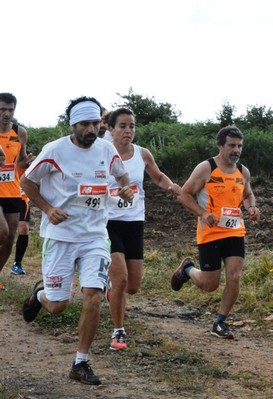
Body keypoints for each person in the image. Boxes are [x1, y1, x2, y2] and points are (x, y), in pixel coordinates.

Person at [21, 96, 134, 385]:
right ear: (73, 124)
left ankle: (80, 362)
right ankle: (41, 295)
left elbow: (123, 179)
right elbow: (27, 182)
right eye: (85, 124)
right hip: (60, 236)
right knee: (58, 305)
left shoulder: (107, 150)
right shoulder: (55, 150)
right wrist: (48, 209)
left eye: (96, 123)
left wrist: (125, 191)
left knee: (93, 295)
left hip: (95, 235)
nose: (91, 129)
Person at [170, 125, 260, 339]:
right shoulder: (206, 168)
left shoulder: (242, 171)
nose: (236, 150)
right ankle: (188, 269)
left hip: (235, 232)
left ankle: (220, 322)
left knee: (234, 276)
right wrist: (202, 213)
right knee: (210, 285)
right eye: (231, 145)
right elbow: (184, 195)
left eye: (239, 146)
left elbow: (248, 195)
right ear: (220, 146)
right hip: (210, 233)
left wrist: (252, 208)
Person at [105, 107, 181, 351]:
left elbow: (158, 176)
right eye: (122, 126)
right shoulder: (101, 153)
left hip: (134, 223)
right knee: (121, 279)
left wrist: (172, 187)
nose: (128, 131)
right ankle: (118, 331)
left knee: (133, 286)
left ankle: (111, 288)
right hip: (106, 223)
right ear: (110, 129)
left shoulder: (142, 153)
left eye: (132, 126)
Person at [0, 92, 28, 289]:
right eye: (2, 109)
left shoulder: (20, 132)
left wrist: (29, 162)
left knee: (10, 237)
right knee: (1, 232)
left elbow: (22, 160)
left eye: (10, 110)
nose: (7, 114)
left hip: (12, 190)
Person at [11, 154, 36, 275]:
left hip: (22, 198)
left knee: (24, 229)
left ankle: (17, 263)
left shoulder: (24, 157)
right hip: (7, 196)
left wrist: (32, 163)